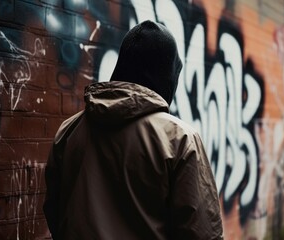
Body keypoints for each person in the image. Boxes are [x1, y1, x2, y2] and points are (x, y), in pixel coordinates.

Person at [43, 20, 223, 240]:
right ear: (168, 74)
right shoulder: (179, 140)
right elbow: (202, 233)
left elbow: (55, 212)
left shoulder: (69, 131)